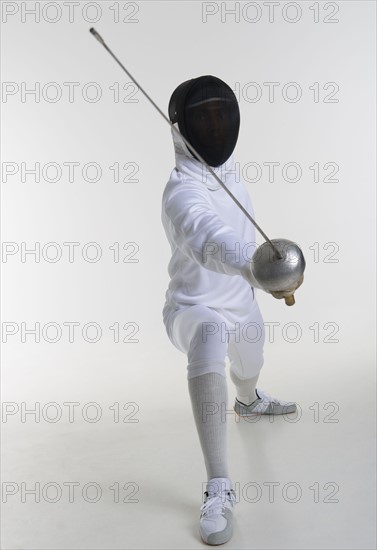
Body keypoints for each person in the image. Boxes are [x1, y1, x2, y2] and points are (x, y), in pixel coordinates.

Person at [161, 75, 303, 546]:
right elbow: (206, 237)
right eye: (205, 118)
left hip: (242, 304)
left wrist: (254, 279)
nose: (217, 126)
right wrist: (254, 264)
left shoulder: (231, 172)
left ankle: (248, 400)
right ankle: (218, 484)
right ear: (182, 128)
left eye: (223, 114)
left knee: (249, 368)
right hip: (193, 307)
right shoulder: (181, 191)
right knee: (208, 338)